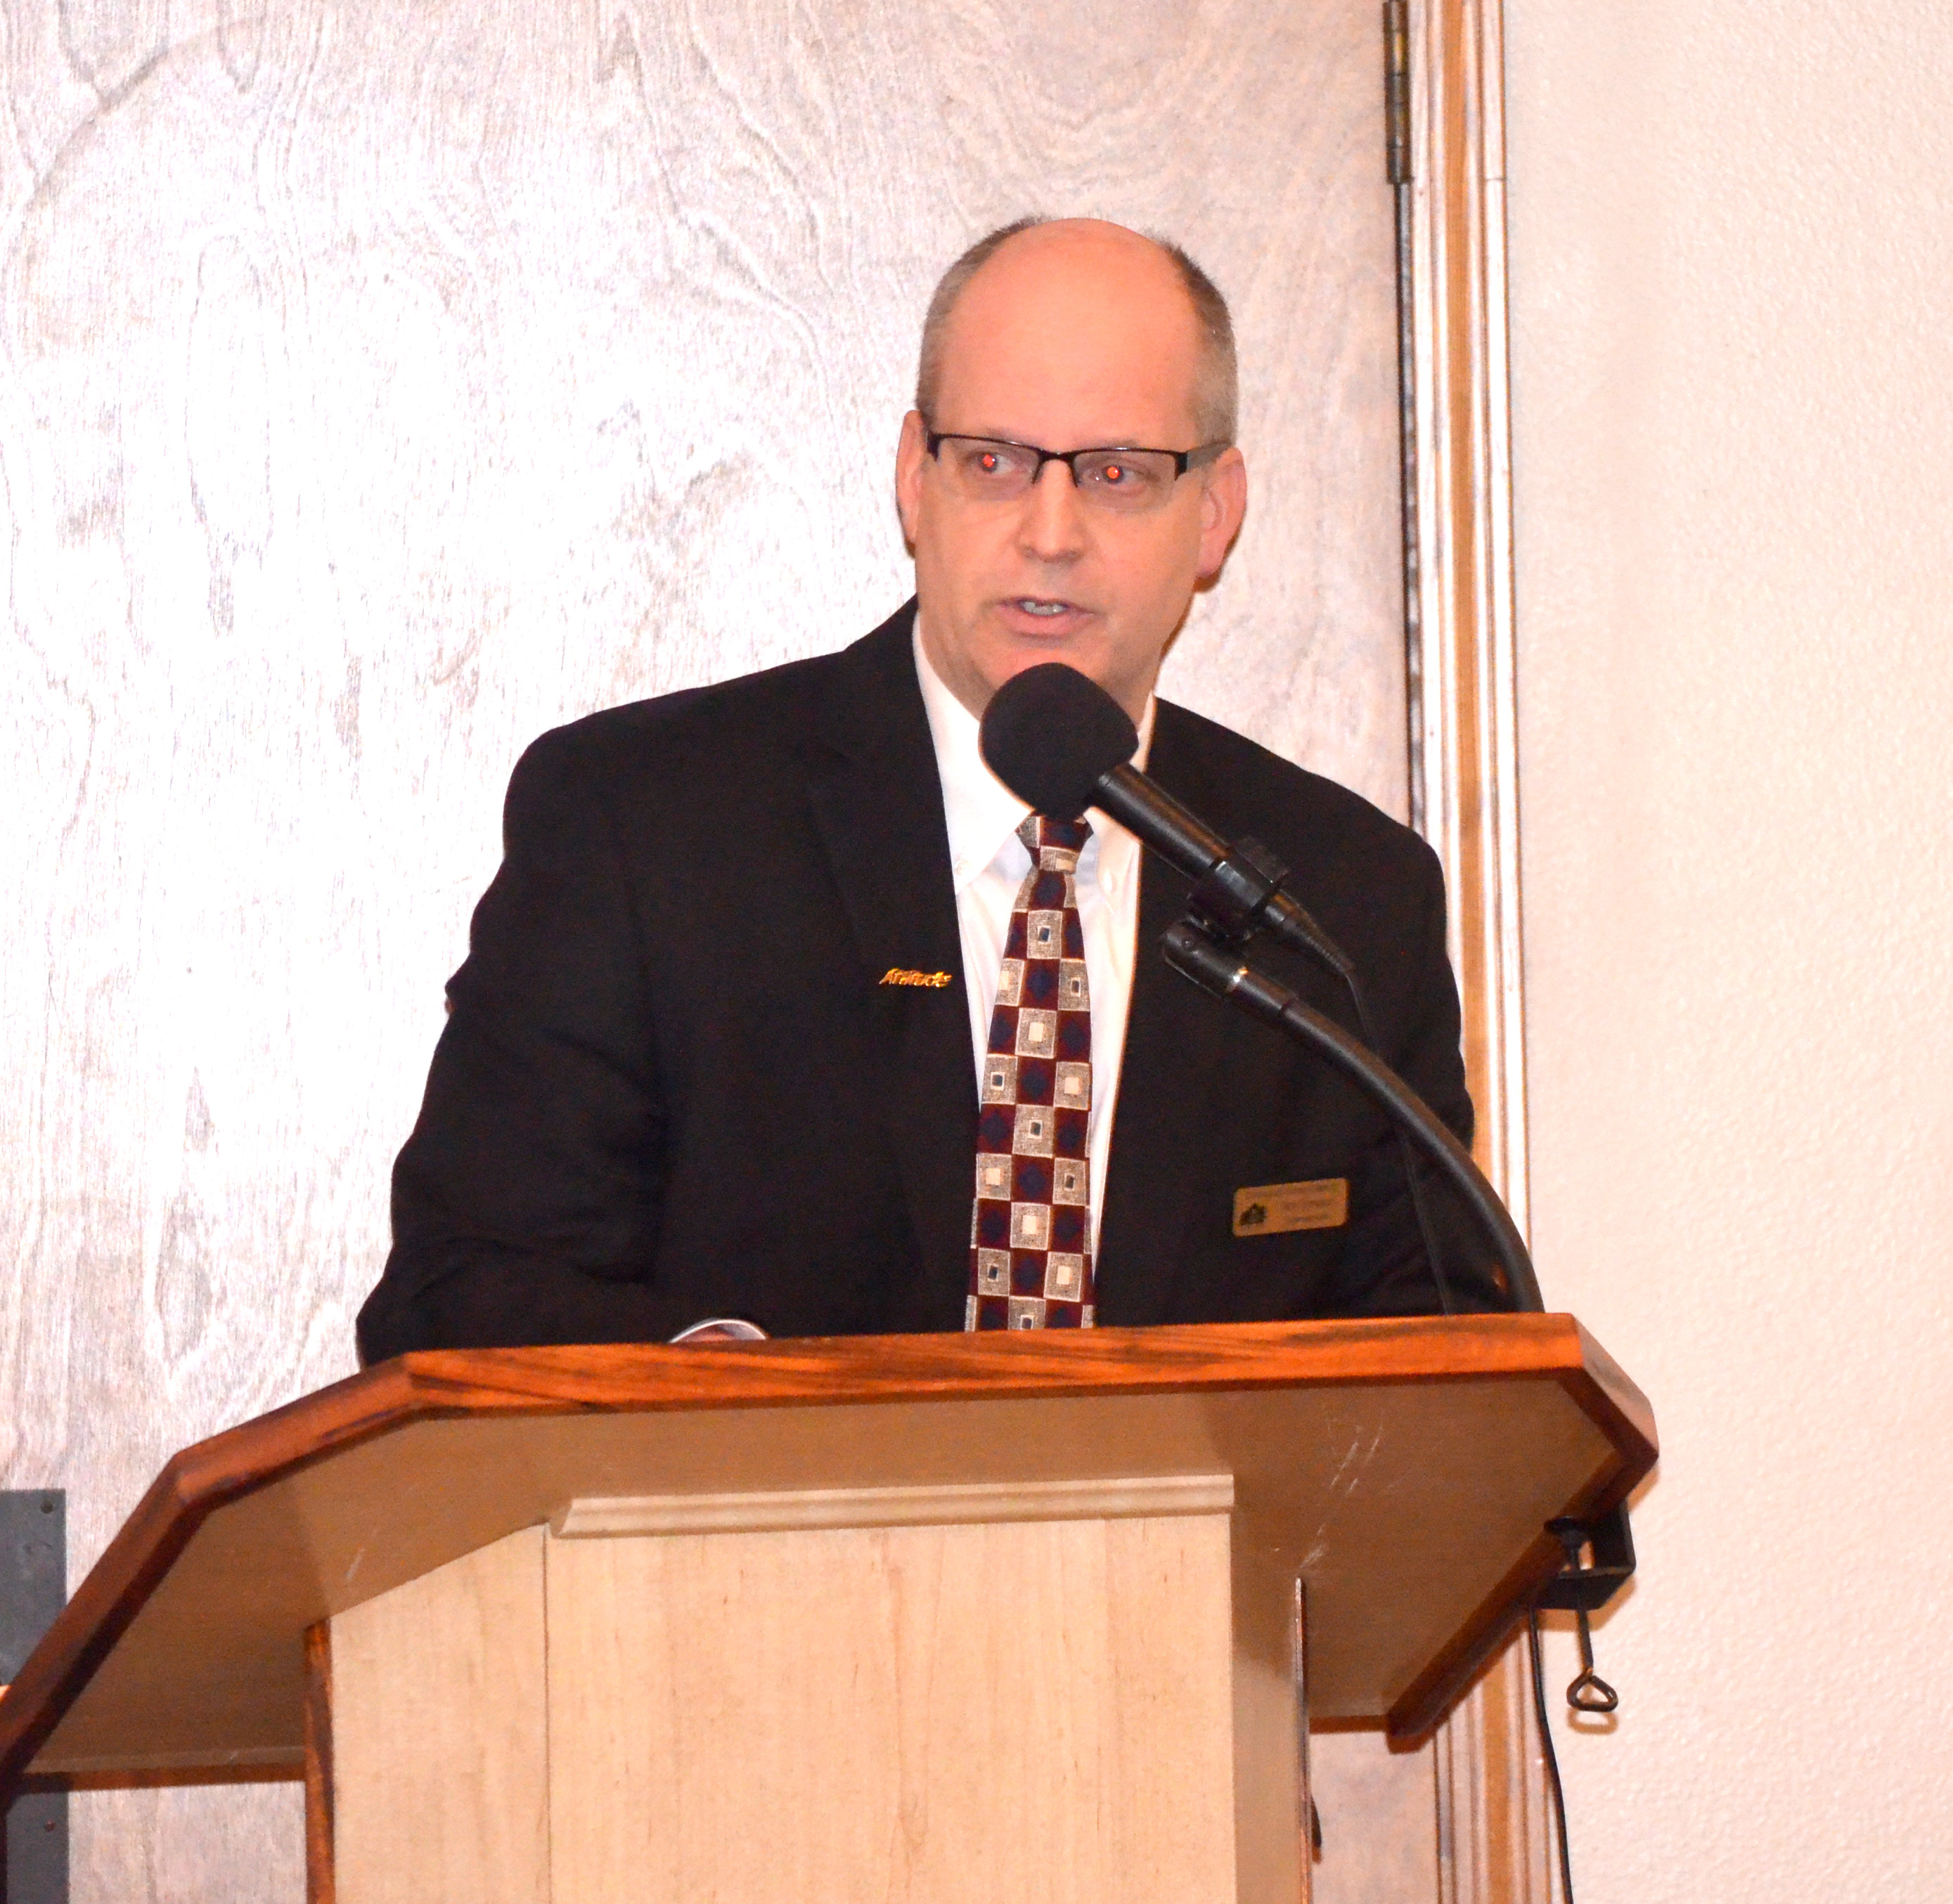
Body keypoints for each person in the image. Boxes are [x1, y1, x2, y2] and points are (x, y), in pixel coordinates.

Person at [355, 217, 1504, 1361]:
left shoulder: (1342, 902)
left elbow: (1452, 1366)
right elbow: (461, 1299)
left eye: (1117, 473)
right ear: (915, 479)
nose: (1050, 533)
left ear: (1213, 514)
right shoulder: (646, 825)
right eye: (994, 462)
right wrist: (742, 1409)